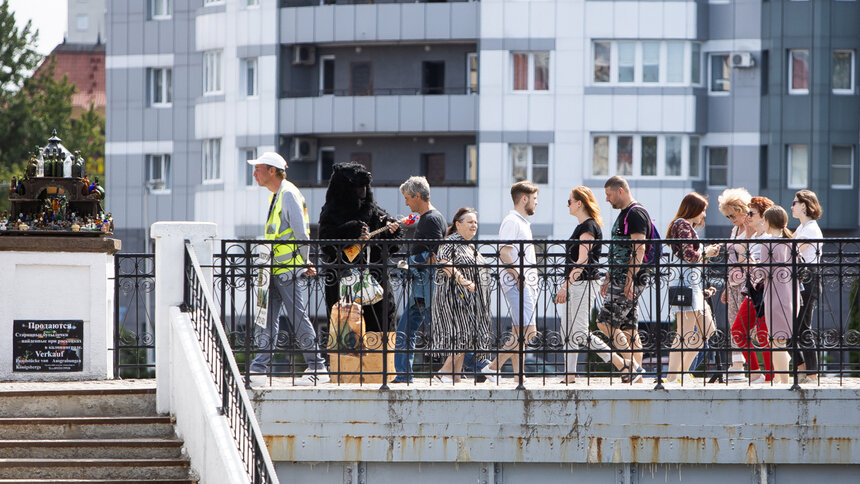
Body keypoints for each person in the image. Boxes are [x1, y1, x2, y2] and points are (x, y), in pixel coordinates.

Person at [247, 152, 328, 386]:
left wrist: (304, 261)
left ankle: (317, 368)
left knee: (297, 316)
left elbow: (302, 234)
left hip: (286, 269)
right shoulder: (279, 194)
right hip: (274, 269)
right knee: (266, 318)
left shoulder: (288, 193)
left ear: (272, 170)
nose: (254, 174)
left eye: (258, 168)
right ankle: (259, 370)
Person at [554, 187, 637, 384]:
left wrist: (565, 285)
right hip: (577, 283)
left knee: (581, 332)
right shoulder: (583, 226)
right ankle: (569, 375)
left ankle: (622, 364)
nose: (568, 205)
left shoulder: (588, 227)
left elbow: (582, 260)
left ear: (579, 203)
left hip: (582, 283)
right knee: (567, 331)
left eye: (570, 201)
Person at [318, 162, 403, 333]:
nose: (363, 191)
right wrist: (351, 230)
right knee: (346, 339)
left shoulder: (372, 209)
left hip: (376, 284)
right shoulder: (331, 213)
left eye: (365, 186)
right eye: (358, 187)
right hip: (344, 285)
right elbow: (326, 245)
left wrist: (391, 230)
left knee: (380, 335)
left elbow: (393, 247)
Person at [481, 181, 540, 384]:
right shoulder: (512, 221)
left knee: (519, 332)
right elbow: (504, 252)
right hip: (518, 284)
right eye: (534, 199)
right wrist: (519, 275)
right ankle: (492, 367)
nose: (536, 203)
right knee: (529, 331)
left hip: (523, 283)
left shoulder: (520, 222)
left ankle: (518, 376)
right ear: (524, 199)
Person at [595, 176, 650, 383]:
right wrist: (608, 276)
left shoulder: (635, 213)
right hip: (621, 277)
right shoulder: (626, 214)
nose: (607, 200)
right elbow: (619, 248)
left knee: (605, 323)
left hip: (628, 278)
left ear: (620, 191)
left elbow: (639, 248)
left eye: (609, 195)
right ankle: (636, 377)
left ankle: (633, 368)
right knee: (629, 329)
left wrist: (630, 278)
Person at [392, 176, 447, 384]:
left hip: (426, 285)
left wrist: (409, 261)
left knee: (437, 329)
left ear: (417, 196)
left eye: (407, 198)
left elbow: (434, 254)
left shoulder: (431, 219)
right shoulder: (431, 218)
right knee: (407, 329)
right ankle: (403, 374)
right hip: (423, 286)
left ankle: (475, 364)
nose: (406, 203)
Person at [431, 208, 492, 384]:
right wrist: (463, 280)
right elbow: (444, 262)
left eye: (476, 222)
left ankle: (454, 376)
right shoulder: (450, 242)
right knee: (462, 336)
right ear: (458, 224)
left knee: (466, 336)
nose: (475, 225)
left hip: (469, 300)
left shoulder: (468, 245)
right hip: (454, 297)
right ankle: (443, 372)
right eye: (470, 222)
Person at [664, 192, 716, 383]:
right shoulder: (683, 224)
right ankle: (673, 377)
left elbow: (691, 258)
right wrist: (706, 251)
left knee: (707, 330)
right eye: (702, 210)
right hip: (685, 285)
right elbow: (690, 256)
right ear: (693, 209)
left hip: (691, 284)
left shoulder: (682, 225)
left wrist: (706, 254)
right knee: (684, 334)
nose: (703, 215)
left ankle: (681, 373)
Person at [704, 187, 752, 380]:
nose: (731, 219)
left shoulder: (751, 227)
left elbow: (748, 253)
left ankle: (750, 365)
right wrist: (725, 284)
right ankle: (737, 365)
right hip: (733, 280)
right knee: (734, 323)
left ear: (742, 209)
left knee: (748, 324)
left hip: (747, 281)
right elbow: (732, 258)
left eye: (733, 215)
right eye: (728, 216)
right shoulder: (735, 229)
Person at [730, 196, 775, 383]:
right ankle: (756, 372)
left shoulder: (769, 237)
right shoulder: (752, 236)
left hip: (765, 291)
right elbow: (742, 262)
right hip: (752, 290)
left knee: (764, 335)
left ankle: (771, 376)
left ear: (763, 217)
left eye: (751, 213)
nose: (747, 216)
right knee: (738, 331)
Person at [755, 206, 799, 384]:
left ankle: (784, 382)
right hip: (790, 293)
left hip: (775, 295)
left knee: (776, 341)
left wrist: (753, 266)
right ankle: (782, 380)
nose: (762, 223)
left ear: (768, 222)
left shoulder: (769, 243)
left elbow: (764, 271)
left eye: (763, 220)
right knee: (779, 339)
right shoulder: (789, 242)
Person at [791, 189, 824, 384]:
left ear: (803, 205)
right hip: (802, 280)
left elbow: (795, 252)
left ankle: (811, 373)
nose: (792, 206)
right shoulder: (802, 227)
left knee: (803, 327)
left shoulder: (811, 228)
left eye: (794, 203)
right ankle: (802, 368)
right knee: (794, 327)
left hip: (809, 279)